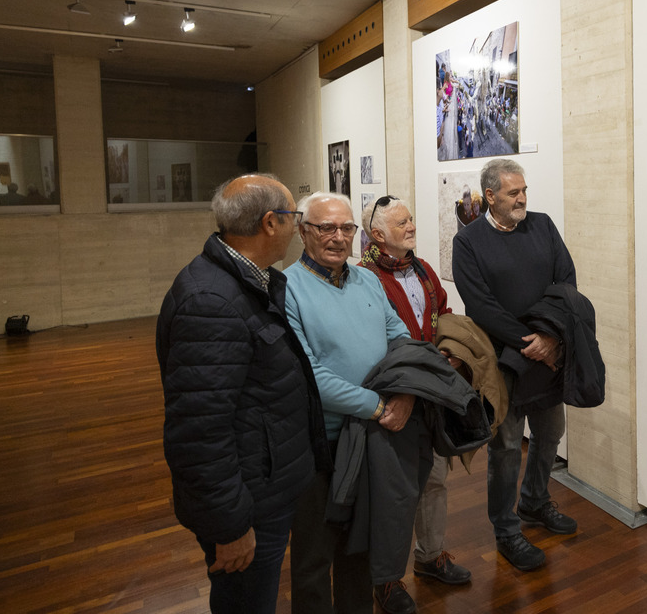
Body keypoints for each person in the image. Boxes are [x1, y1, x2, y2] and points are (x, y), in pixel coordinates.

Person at [155, 173, 327, 614]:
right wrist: (229, 526)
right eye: (295, 218)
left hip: (263, 486)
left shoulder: (248, 280)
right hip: (247, 505)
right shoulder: (212, 302)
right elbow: (198, 433)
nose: (299, 228)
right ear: (271, 223)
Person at [284, 192, 429, 614]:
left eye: (346, 228)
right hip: (320, 445)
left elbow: (401, 339)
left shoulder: (367, 280)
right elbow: (310, 377)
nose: (337, 237)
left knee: (359, 549)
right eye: (325, 227)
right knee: (313, 559)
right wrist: (381, 406)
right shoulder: (287, 289)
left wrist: (403, 393)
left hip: (370, 441)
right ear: (302, 231)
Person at [452, 158, 579, 572]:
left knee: (550, 433)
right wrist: (529, 341)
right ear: (491, 196)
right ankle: (506, 530)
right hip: (503, 361)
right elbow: (480, 305)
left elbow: (565, 282)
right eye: (513, 193)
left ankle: (535, 502)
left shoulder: (541, 225)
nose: (522, 198)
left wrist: (550, 338)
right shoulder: (469, 241)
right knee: (506, 447)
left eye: (524, 191)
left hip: (547, 356)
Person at [358, 195, 473, 588]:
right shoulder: (363, 278)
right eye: (402, 222)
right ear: (377, 234)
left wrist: (453, 352)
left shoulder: (424, 270)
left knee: (435, 480)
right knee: (393, 492)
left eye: (411, 220)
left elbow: (444, 315)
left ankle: (429, 556)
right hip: (394, 400)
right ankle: (387, 578)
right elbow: (369, 343)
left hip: (433, 395)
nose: (411, 227)